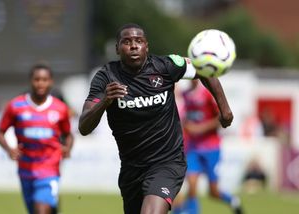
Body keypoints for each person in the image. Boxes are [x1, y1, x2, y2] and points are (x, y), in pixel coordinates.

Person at [78, 23, 233, 214]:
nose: (133, 46)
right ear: (117, 48)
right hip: (132, 169)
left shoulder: (166, 66)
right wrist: (105, 101)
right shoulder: (106, 77)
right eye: (126, 42)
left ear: (146, 46)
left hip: (167, 162)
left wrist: (224, 108)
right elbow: (84, 127)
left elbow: (202, 70)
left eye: (139, 41)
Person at [0, 63, 74, 214]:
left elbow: (68, 134)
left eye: (44, 79)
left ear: (51, 81)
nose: (40, 83)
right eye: (37, 79)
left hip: (49, 168)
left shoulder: (60, 108)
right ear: (31, 81)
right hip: (25, 170)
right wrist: (9, 149)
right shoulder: (16, 105)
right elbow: (0, 132)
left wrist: (67, 148)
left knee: (41, 210)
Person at [173, 79, 243, 214]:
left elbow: (221, 117)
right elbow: (186, 117)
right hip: (193, 147)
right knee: (192, 185)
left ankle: (233, 201)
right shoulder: (186, 94)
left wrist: (200, 128)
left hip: (211, 147)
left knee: (213, 192)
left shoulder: (207, 94)